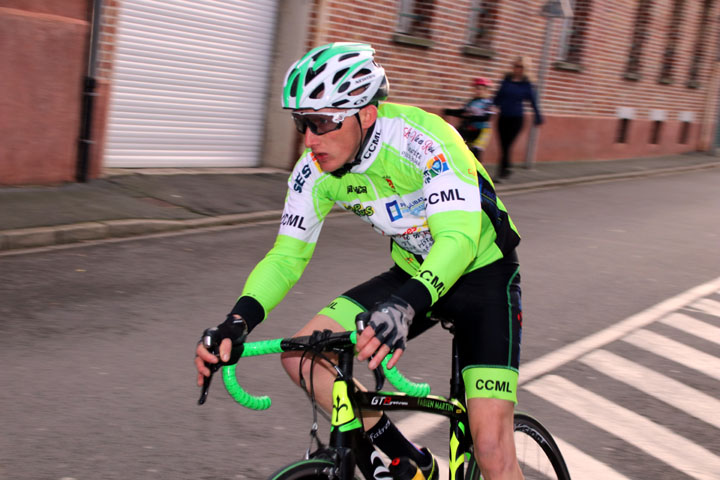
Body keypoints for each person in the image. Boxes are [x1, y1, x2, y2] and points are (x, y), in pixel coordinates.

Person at [195, 42, 524, 480]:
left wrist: (404, 307)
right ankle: (406, 458)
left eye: (321, 122)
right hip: (412, 272)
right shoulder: (313, 171)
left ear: (365, 114)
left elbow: (459, 240)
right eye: (301, 123)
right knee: (303, 357)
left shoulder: (424, 140)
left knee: (490, 449)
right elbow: (287, 256)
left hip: (481, 274)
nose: (309, 139)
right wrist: (238, 321)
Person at [493, 56, 543, 180]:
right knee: (503, 144)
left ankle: (502, 172)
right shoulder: (506, 80)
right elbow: (498, 97)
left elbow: (533, 102)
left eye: (520, 67)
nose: (517, 69)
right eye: (516, 65)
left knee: (507, 145)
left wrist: (538, 116)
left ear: (525, 69)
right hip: (503, 117)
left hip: (517, 119)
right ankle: (507, 168)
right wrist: (490, 107)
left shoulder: (527, 85)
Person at [444, 77, 495, 162]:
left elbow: (487, 117)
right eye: (476, 89)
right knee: (466, 150)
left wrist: (473, 118)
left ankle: (478, 172)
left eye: (480, 89)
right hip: (471, 130)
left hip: (483, 130)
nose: (477, 91)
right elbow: (463, 111)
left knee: (476, 151)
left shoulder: (488, 103)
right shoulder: (472, 102)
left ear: (486, 90)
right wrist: (450, 112)